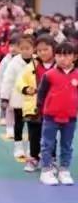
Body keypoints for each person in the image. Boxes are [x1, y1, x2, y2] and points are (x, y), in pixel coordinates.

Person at [37, 41, 78, 186]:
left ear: (74, 57)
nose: (63, 58)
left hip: (71, 117)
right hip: (51, 116)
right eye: (59, 55)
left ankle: (64, 170)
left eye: (67, 55)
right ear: (55, 56)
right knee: (47, 144)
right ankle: (46, 170)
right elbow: (41, 94)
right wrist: (39, 109)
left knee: (67, 145)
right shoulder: (49, 75)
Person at [17, 35, 56, 172]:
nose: (42, 53)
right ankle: (33, 158)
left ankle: (51, 159)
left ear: (54, 49)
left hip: (52, 107)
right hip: (34, 107)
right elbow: (20, 81)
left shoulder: (58, 66)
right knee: (34, 134)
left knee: (51, 135)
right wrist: (26, 88)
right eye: (39, 50)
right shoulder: (32, 65)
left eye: (46, 49)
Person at [1, 34, 35, 159]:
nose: (25, 51)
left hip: (33, 101)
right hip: (18, 99)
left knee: (33, 126)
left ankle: (32, 148)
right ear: (19, 49)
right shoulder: (14, 62)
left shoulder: (36, 61)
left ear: (33, 48)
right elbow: (8, 80)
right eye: (22, 48)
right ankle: (18, 147)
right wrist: (5, 97)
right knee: (19, 124)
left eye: (28, 48)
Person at [0, 32, 20, 137]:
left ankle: (16, 126)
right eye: (11, 45)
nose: (13, 48)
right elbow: (0, 73)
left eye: (16, 46)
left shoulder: (25, 60)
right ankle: (9, 128)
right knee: (9, 108)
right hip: (8, 88)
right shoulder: (6, 60)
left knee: (18, 110)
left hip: (20, 89)